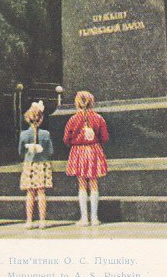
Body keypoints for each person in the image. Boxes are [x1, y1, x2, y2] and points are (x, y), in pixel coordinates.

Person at [63, 91, 109, 226]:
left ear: (77, 103)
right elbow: (105, 137)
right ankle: (94, 218)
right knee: (94, 184)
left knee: (82, 185)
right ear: (92, 102)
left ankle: (84, 218)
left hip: (78, 152)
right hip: (94, 150)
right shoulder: (99, 118)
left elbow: (66, 138)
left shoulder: (72, 119)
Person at [18, 101, 53, 229]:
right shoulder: (46, 134)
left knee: (30, 194)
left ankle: (29, 220)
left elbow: (20, 152)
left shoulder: (23, 134)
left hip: (29, 165)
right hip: (42, 165)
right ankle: (42, 220)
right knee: (41, 192)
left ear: (27, 118)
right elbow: (50, 151)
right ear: (41, 119)